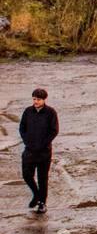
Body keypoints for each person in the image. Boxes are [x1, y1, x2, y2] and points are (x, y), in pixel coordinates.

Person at [20, 87, 59, 215]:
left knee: (42, 178)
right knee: (26, 174)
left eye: (38, 99)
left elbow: (54, 131)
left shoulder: (50, 112)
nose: (35, 101)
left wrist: (43, 144)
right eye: (34, 99)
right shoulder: (28, 111)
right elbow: (22, 128)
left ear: (44, 100)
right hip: (29, 150)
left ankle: (42, 203)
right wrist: (27, 142)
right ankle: (36, 195)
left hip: (44, 152)